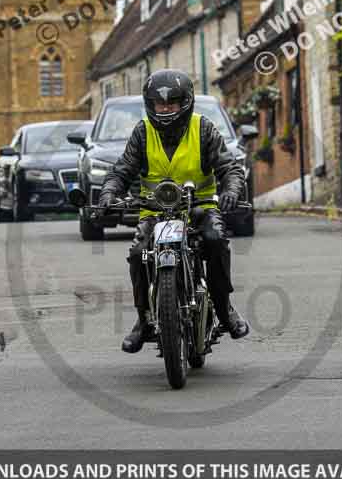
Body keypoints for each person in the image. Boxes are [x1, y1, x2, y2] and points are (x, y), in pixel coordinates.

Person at [98, 69, 250, 353]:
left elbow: (229, 168)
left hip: (200, 207)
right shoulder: (142, 132)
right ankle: (143, 320)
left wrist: (230, 191)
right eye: (160, 104)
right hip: (154, 212)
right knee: (137, 253)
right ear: (151, 105)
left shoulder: (203, 128)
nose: (166, 109)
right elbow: (122, 170)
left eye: (172, 103)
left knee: (216, 240)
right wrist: (109, 193)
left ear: (186, 103)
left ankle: (224, 308)